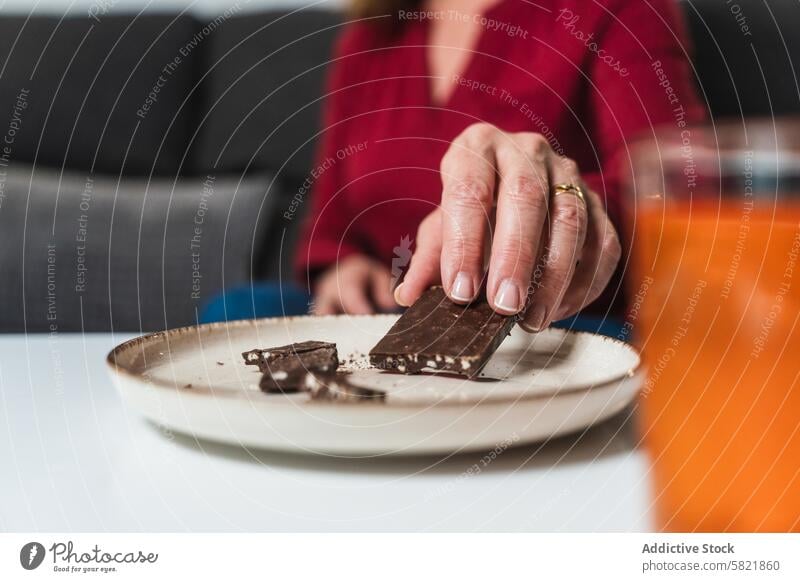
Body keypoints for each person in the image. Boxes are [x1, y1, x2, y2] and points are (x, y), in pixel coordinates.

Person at [203, 0, 702, 330]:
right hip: (387, 312)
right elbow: (331, 215)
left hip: (543, 318)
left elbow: (673, 181)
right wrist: (341, 267)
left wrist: (555, 202)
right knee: (237, 312)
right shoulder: (367, 39)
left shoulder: (616, 8)